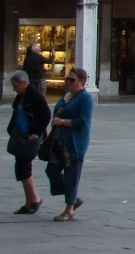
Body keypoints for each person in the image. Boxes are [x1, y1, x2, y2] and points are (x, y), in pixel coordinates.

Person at [46, 67, 94, 221]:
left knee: (71, 175)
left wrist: (62, 122)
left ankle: (69, 209)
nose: (68, 82)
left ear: (81, 81)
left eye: (72, 80)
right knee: (52, 171)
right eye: (67, 79)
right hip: (59, 142)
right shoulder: (67, 96)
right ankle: (72, 197)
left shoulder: (85, 98)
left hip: (74, 143)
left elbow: (82, 121)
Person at [6, 70, 51, 215]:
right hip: (20, 134)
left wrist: (36, 132)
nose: (14, 88)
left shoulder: (35, 96)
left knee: (23, 168)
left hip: (30, 137)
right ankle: (30, 201)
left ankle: (34, 199)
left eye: (16, 86)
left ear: (24, 83)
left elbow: (45, 116)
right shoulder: (21, 96)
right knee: (21, 168)